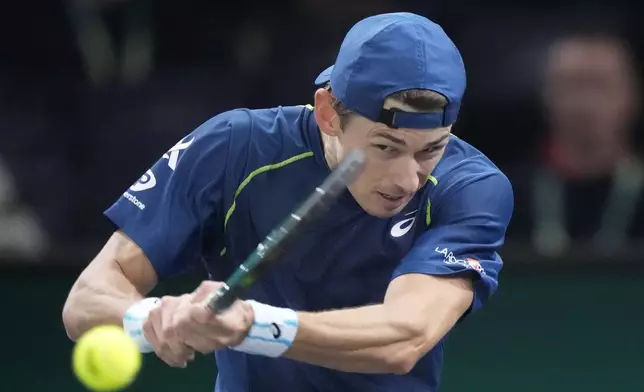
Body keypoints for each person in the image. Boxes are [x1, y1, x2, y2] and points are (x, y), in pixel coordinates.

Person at [62, 12, 514, 392]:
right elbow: (86, 302)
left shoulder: (472, 188)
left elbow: (404, 338)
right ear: (328, 113)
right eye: (386, 147)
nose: (408, 178)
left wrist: (252, 325)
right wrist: (153, 317)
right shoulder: (233, 149)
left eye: (431, 149)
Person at [508, 30, 643, 257]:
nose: (585, 104)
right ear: (546, 95)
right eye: (571, 86)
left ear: (631, 97)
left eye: (601, 86)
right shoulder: (502, 198)